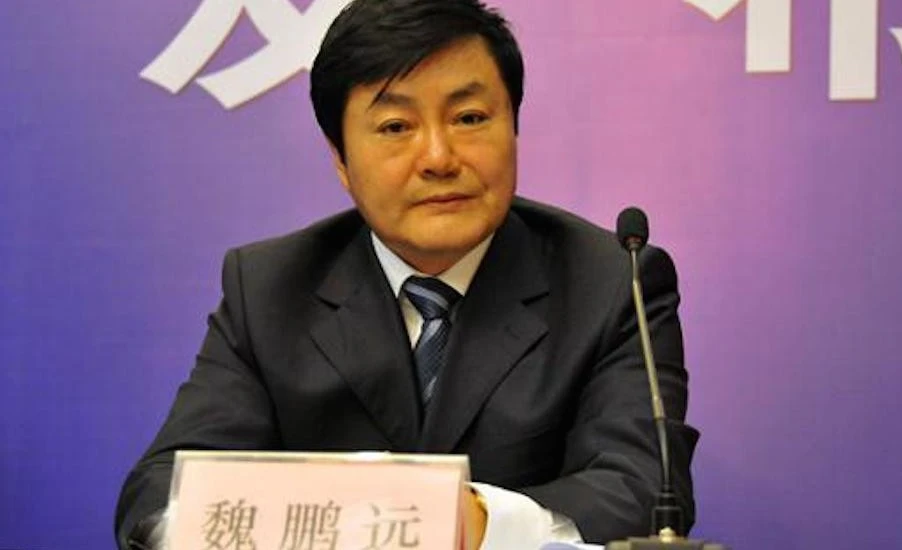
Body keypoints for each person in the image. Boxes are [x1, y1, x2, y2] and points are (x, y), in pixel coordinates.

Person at [114, 0, 699, 548]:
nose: (439, 158)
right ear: (341, 159)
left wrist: (476, 520)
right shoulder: (269, 288)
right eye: (396, 127)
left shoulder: (612, 281)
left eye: (469, 117)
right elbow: (159, 496)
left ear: (514, 130)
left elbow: (644, 491)